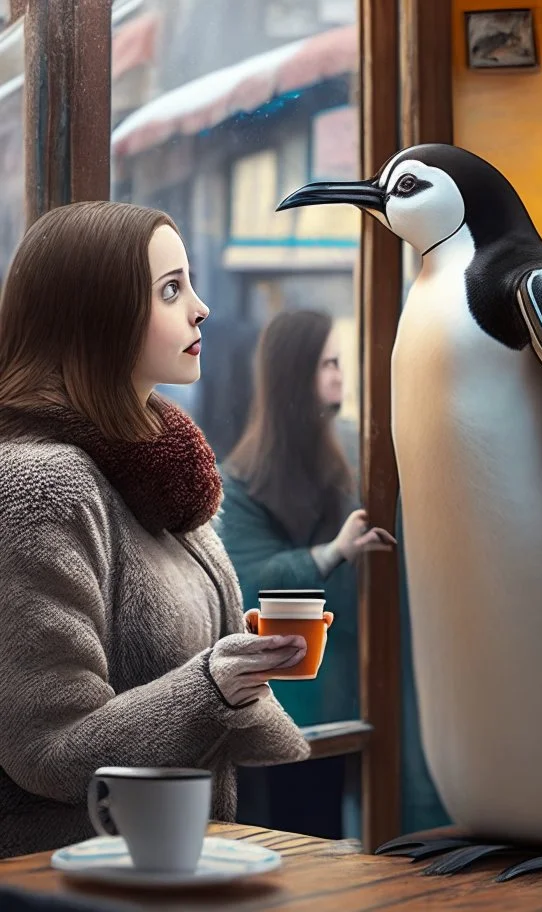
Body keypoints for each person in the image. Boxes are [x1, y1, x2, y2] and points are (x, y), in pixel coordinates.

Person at [0, 201, 311, 860]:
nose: (200, 308)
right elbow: (48, 747)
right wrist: (215, 685)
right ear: (96, 315)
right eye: (171, 289)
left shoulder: (155, 475)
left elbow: (209, 678)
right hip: (63, 884)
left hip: (168, 866)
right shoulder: (42, 486)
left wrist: (241, 673)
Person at [218, 309, 395, 838]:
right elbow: (248, 581)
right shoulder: (242, 479)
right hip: (278, 701)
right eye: (328, 364)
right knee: (280, 839)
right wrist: (330, 553)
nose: (340, 375)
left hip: (349, 692)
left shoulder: (353, 458)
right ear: (295, 374)